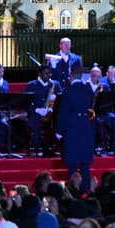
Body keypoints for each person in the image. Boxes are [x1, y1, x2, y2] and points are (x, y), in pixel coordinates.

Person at [59, 61, 98, 194]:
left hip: (72, 128)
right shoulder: (88, 90)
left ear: (71, 77)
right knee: (85, 164)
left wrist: (59, 131)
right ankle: (86, 190)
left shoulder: (68, 91)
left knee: (72, 163)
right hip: (86, 127)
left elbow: (63, 112)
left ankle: (73, 192)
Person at [25, 64, 61, 154]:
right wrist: (36, 110)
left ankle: (55, 147)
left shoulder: (55, 84)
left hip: (51, 113)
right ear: (40, 74)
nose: (49, 76)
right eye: (46, 74)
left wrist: (54, 103)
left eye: (50, 74)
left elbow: (62, 101)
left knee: (60, 121)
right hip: (36, 113)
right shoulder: (31, 85)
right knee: (35, 122)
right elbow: (26, 102)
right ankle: (38, 147)